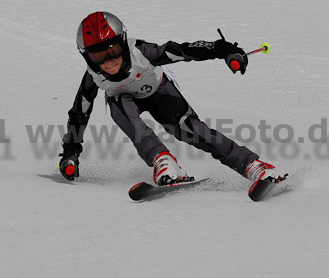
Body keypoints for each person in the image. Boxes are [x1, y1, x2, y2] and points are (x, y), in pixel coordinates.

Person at [58, 11, 283, 189]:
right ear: (86, 56)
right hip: (124, 99)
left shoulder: (143, 52)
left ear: (123, 42)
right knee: (120, 108)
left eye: (113, 50)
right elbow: (79, 114)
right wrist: (70, 152)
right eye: (98, 56)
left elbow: (183, 50)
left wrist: (223, 49)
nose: (109, 61)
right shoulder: (93, 77)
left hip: (159, 92)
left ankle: (254, 166)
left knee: (192, 130)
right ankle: (163, 162)